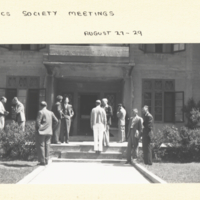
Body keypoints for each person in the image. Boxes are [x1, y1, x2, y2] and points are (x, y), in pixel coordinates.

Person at [35, 101, 58, 165]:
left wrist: (39, 128)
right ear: (46, 105)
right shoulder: (51, 112)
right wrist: (52, 127)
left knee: (41, 145)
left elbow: (38, 122)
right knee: (47, 145)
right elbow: (56, 121)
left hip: (42, 132)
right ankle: (47, 160)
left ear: (40, 105)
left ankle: (42, 161)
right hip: (49, 131)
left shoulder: (40, 112)